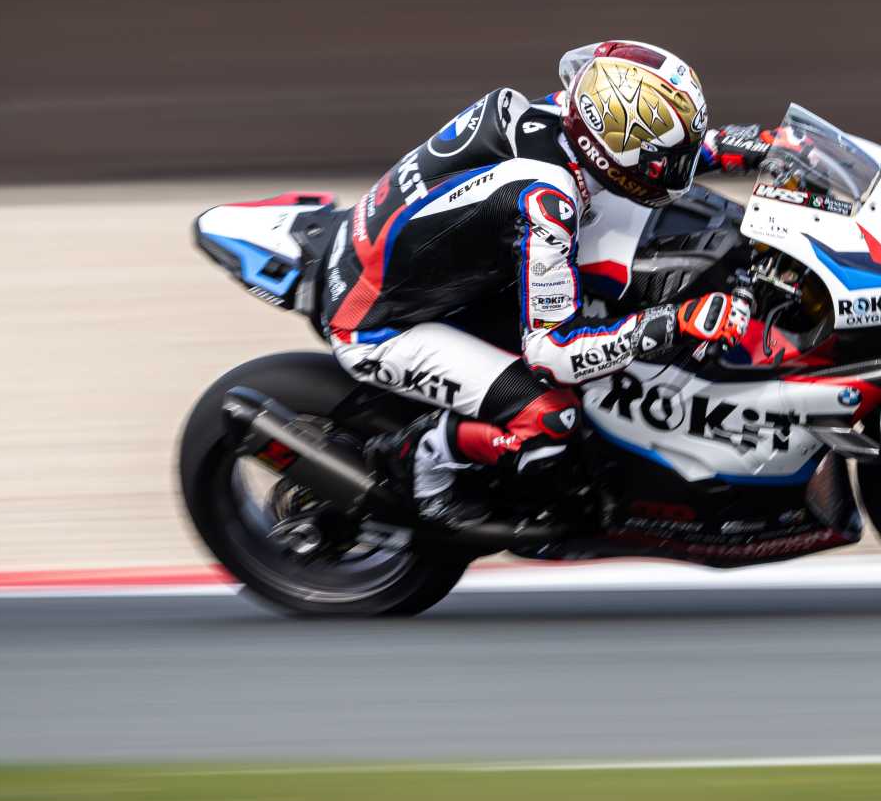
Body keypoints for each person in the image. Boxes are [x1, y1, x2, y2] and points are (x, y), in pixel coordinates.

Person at [312, 39, 776, 524]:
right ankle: (417, 459)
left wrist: (737, 148)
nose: (676, 168)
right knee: (550, 419)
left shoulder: (563, 112)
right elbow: (553, 353)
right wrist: (675, 322)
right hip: (378, 325)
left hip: (419, 270)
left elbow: (636, 154)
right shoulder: (548, 203)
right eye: (669, 159)